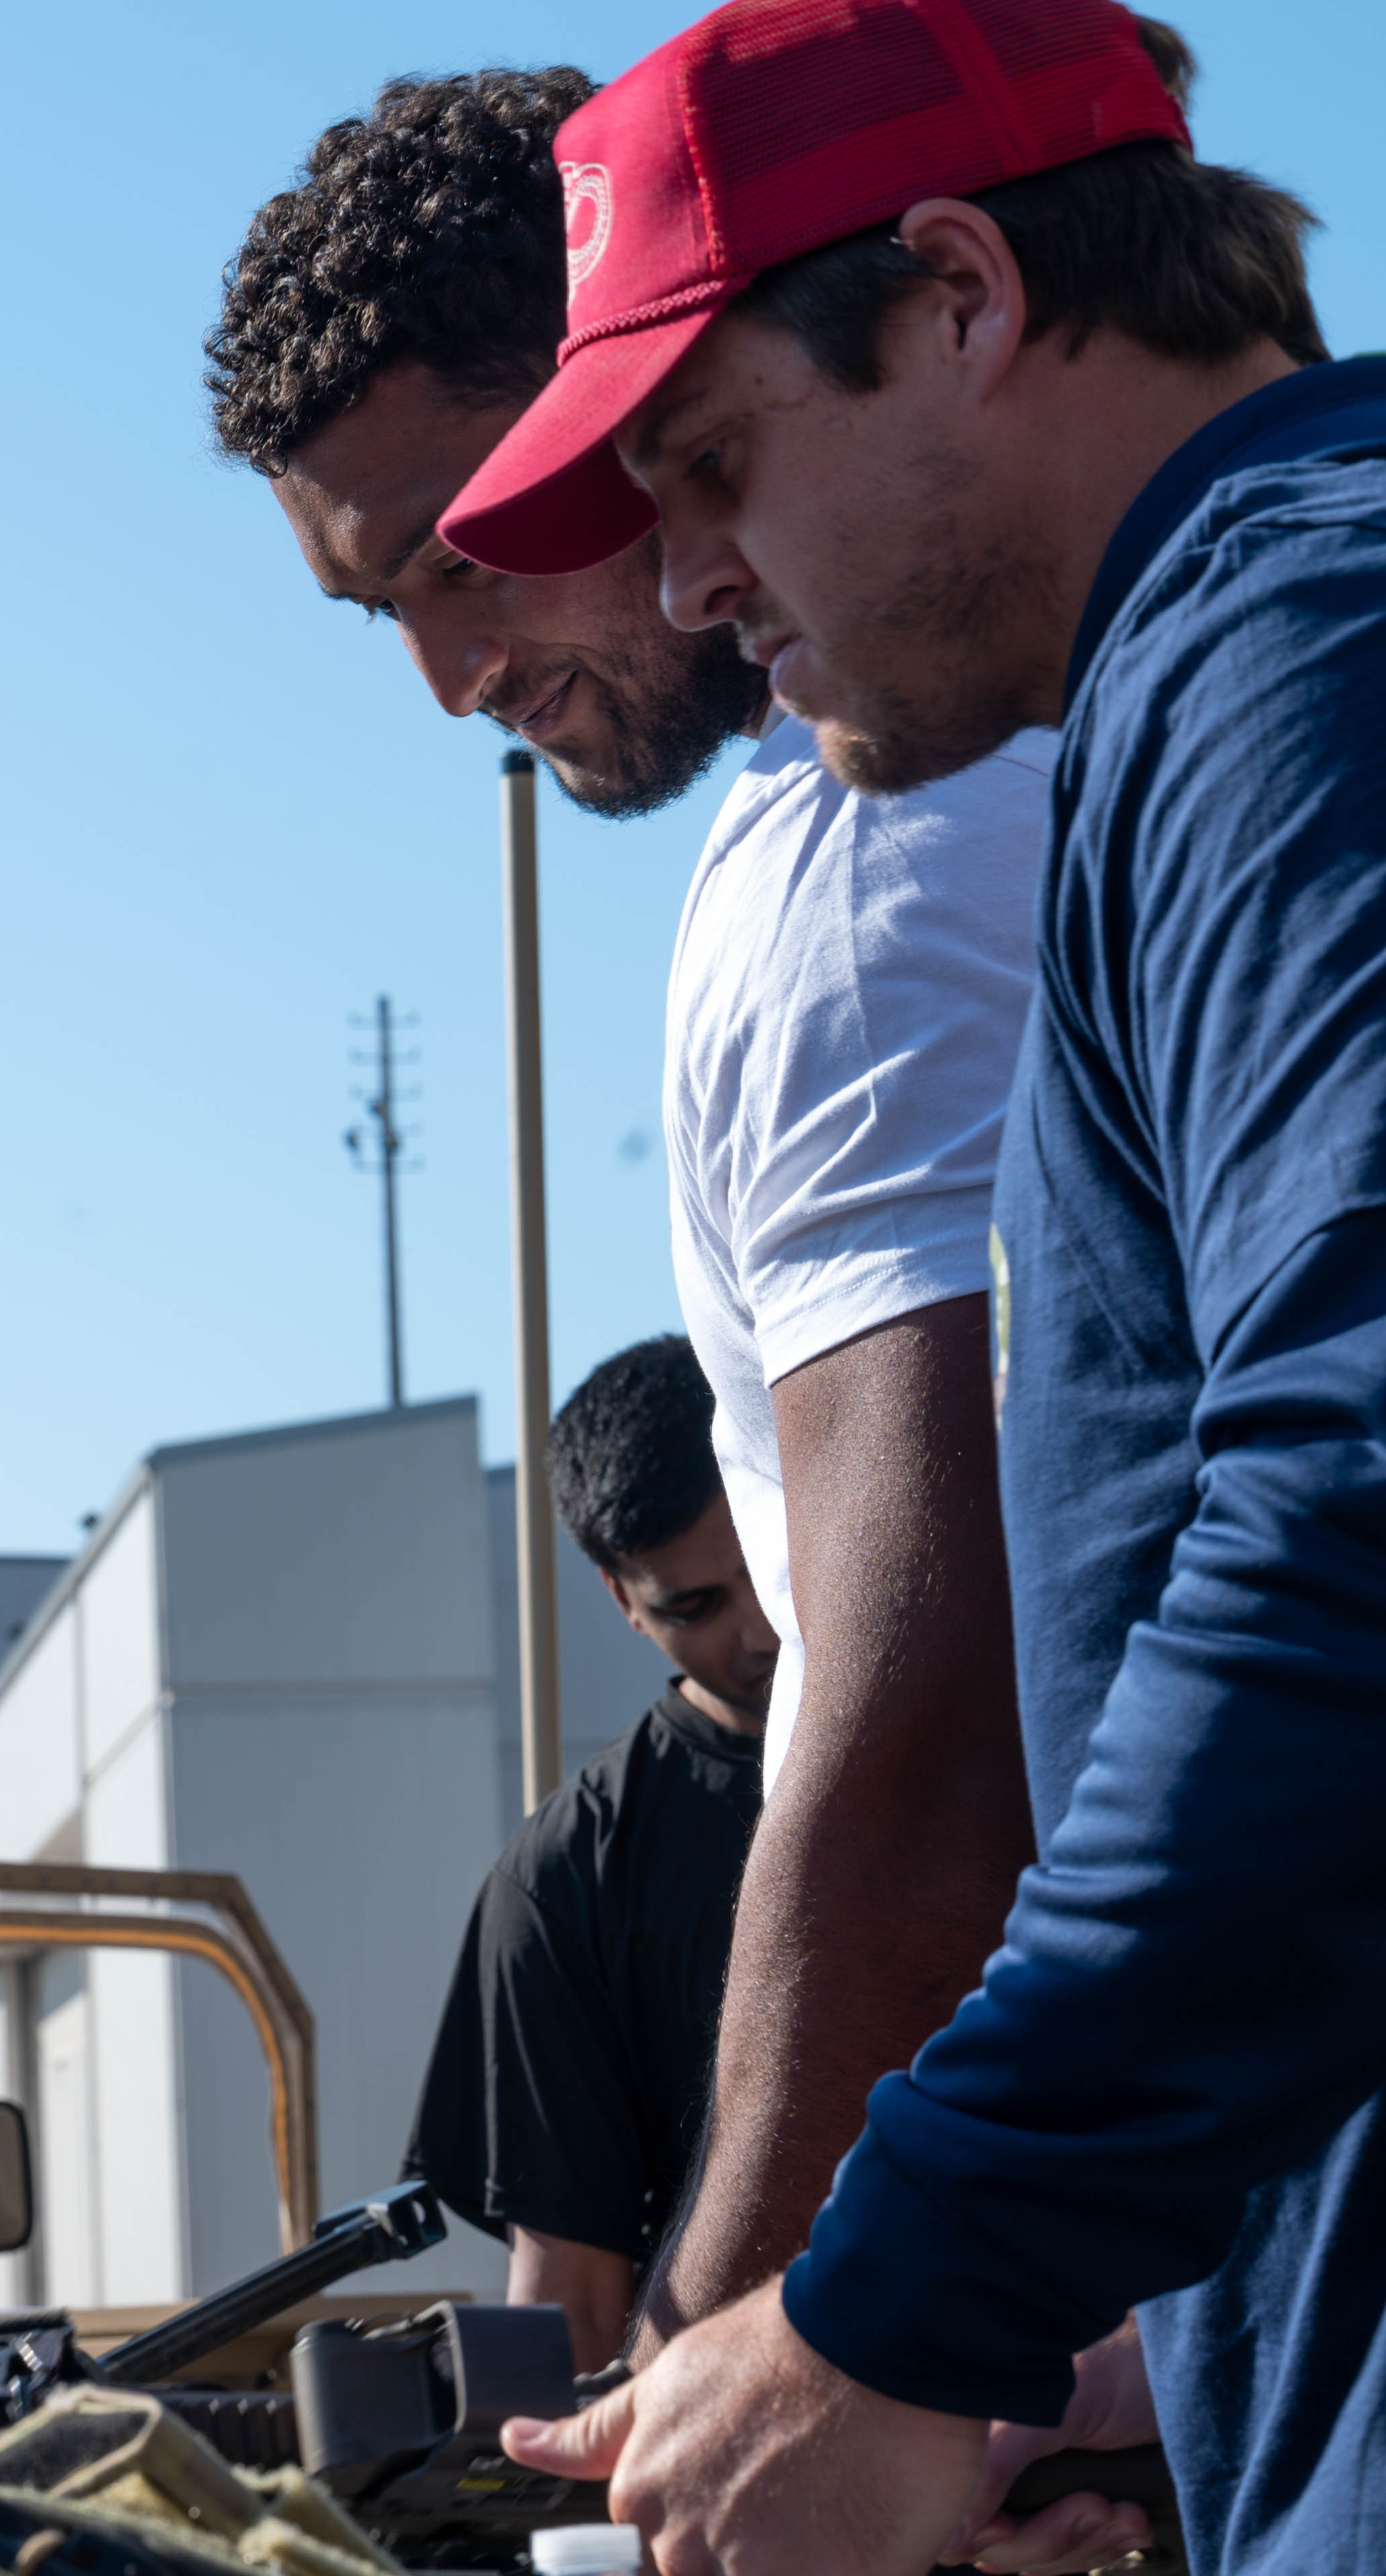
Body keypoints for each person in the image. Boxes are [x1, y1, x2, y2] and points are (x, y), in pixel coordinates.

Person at [432, 1, 1355, 2565]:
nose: (698, 582)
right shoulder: (1222, 683)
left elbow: (1358, 1520)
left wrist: (896, 2294)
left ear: (956, 287)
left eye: (710, 463)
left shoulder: (1299, 661)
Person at [211, 66, 1046, 2359]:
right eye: (374, 609)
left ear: (628, 387)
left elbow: (929, 1697)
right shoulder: (1053, 751)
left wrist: (754, 2317)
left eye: (462, 547)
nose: (448, 672)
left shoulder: (870, 874)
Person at [404, 1338, 772, 2369]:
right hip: (761, 2472)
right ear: (621, 1598)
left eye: (766, 1565)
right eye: (693, 1606)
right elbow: (571, 2310)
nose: (759, 1634)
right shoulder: (564, 1885)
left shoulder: (1014, 1743)